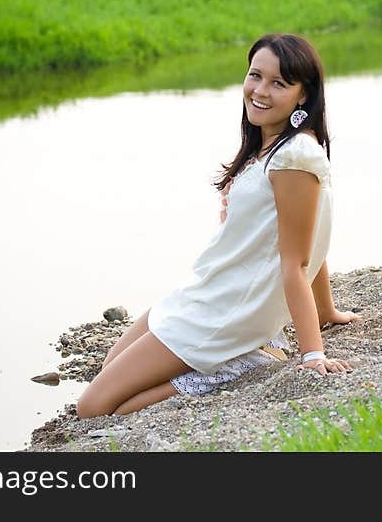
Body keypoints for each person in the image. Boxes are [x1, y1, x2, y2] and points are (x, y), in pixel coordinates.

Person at [76, 33, 360, 419]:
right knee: (110, 365)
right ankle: (234, 356)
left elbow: (298, 260)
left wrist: (313, 354)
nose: (260, 91)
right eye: (255, 75)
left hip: (226, 311)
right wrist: (326, 312)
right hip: (208, 291)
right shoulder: (270, 145)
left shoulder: (294, 157)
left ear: (303, 96)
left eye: (278, 83)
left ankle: (231, 366)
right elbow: (309, 240)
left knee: (94, 407)